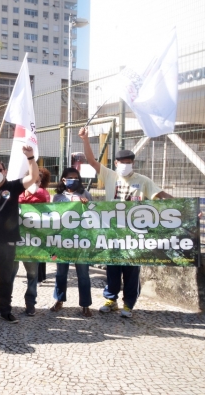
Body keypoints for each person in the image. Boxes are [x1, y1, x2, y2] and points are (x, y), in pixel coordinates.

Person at [79, 126, 173, 318]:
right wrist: (85, 140)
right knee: (112, 267)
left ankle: (129, 304)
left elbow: (161, 194)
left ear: (133, 164)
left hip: (134, 233)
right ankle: (111, 299)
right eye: (122, 162)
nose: (125, 165)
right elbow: (91, 161)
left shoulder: (143, 180)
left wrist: (185, 209)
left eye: (129, 162)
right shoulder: (110, 175)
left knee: (131, 270)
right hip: (113, 232)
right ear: (115, 163)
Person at [0, 145, 39, 323]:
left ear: (5, 171)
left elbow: (33, 177)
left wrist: (30, 157)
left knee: (6, 279)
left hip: (8, 242)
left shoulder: (13, 186)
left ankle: (5, 310)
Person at [50, 167, 93, 317]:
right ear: (63, 180)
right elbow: (54, 217)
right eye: (70, 177)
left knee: (83, 273)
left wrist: (85, 205)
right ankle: (59, 300)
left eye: (76, 178)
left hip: (80, 240)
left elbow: (92, 215)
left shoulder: (85, 194)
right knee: (61, 273)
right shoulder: (58, 197)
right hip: (63, 240)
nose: (73, 180)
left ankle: (85, 304)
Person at [17, 167, 51, 317]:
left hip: (32, 242)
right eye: (33, 180)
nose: (35, 184)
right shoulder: (16, 193)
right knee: (9, 274)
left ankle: (30, 303)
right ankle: (4, 302)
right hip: (16, 240)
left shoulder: (43, 194)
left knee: (32, 274)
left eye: (38, 181)